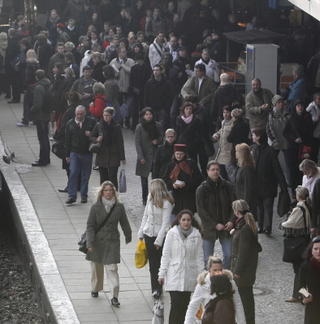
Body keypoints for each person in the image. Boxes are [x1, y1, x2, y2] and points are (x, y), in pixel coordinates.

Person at [85, 181, 132, 306]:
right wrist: (89, 243)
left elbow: (124, 222)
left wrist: (128, 234)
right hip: (97, 242)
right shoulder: (95, 207)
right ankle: (95, 288)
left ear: (114, 192)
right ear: (102, 192)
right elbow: (90, 226)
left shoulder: (119, 207)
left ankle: (114, 296)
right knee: (96, 268)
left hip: (112, 242)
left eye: (110, 190)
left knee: (112, 269)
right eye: (106, 190)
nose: (108, 193)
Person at [158, 210, 204, 324]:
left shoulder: (196, 235)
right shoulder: (171, 233)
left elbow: (199, 257)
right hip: (174, 274)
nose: (186, 222)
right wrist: (161, 273)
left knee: (185, 306)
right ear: (179, 220)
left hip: (189, 275)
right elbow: (166, 255)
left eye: (188, 220)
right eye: (183, 220)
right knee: (175, 305)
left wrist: (202, 275)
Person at [137, 179, 174, 299]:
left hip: (160, 235)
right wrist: (141, 233)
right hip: (148, 234)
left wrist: (158, 241)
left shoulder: (167, 203)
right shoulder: (150, 199)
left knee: (160, 263)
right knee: (153, 264)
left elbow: (165, 223)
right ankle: (155, 289)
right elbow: (145, 216)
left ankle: (162, 285)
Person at [196, 161, 235, 268]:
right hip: (209, 228)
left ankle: (225, 276)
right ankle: (209, 280)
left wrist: (231, 221)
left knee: (229, 255)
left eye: (217, 169)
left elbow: (234, 206)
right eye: (213, 169)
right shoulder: (202, 189)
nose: (215, 172)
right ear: (208, 171)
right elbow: (201, 210)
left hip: (226, 227)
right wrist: (214, 224)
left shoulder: (228, 186)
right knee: (207, 259)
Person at [251, 128, 288, 234]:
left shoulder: (270, 151)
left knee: (267, 207)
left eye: (253, 135)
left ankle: (267, 227)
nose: (252, 137)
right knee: (260, 207)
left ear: (258, 137)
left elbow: (277, 169)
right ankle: (261, 226)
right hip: (258, 184)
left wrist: (283, 186)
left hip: (268, 184)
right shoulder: (253, 149)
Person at [231, 199, 260, 324]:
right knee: (246, 298)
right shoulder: (244, 225)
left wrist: (237, 271)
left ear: (236, 212)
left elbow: (243, 252)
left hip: (243, 271)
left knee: (245, 300)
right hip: (246, 270)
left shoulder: (244, 228)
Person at [281, 186, 311, 303]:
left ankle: (303, 295)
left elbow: (290, 223)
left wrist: (282, 224)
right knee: (300, 271)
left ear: (298, 196)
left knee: (299, 272)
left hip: (298, 242)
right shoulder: (308, 205)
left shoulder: (299, 207)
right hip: (305, 240)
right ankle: (300, 295)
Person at [184, 256, 233, 324]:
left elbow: (238, 303)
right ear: (209, 270)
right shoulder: (202, 284)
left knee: (223, 304)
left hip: (226, 317)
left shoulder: (229, 282)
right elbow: (193, 306)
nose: (218, 273)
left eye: (220, 270)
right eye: (215, 270)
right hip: (209, 317)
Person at [65, 105, 96, 204]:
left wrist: (90, 135)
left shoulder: (91, 122)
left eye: (81, 114)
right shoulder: (70, 124)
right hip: (74, 153)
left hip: (87, 153)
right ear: (75, 114)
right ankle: (72, 195)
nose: (79, 116)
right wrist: (67, 155)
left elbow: (97, 135)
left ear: (85, 113)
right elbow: (67, 140)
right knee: (73, 173)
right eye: (77, 114)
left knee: (85, 175)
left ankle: (83, 195)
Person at [91, 107, 125, 188]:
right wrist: (96, 139)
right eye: (104, 115)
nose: (105, 117)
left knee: (113, 177)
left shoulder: (116, 127)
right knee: (103, 178)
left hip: (114, 155)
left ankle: (114, 196)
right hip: (102, 154)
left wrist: (122, 157)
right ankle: (103, 196)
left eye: (108, 115)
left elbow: (120, 142)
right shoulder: (99, 125)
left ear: (112, 116)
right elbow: (92, 136)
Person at [164, 144, 202, 215]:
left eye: (181, 154)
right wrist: (172, 185)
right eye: (177, 154)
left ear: (184, 154)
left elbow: (198, 179)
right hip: (176, 196)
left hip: (189, 195)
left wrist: (186, 184)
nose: (178, 156)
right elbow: (165, 180)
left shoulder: (191, 164)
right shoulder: (171, 165)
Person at [135, 108, 162, 205]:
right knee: (144, 179)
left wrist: (157, 141)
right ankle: (145, 198)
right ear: (143, 116)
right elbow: (137, 143)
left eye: (150, 114)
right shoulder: (139, 127)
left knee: (156, 178)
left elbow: (161, 137)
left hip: (155, 155)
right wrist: (140, 157)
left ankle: (155, 197)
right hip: (144, 156)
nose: (148, 116)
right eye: (146, 114)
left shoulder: (157, 125)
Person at [175, 102, 205, 172]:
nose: (188, 110)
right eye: (187, 109)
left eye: (190, 109)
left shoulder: (196, 120)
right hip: (182, 145)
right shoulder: (179, 119)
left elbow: (200, 133)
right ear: (183, 110)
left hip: (193, 145)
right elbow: (177, 132)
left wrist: (195, 142)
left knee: (192, 163)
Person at [30, 69, 51, 167]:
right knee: (45, 137)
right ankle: (47, 158)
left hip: (40, 116)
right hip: (47, 114)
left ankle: (42, 160)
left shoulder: (38, 87)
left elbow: (38, 104)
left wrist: (32, 110)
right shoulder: (49, 84)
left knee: (42, 138)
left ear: (37, 77)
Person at [298, 236, 320, 324]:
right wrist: (306, 296)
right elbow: (301, 287)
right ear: (311, 250)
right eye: (316, 249)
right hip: (313, 305)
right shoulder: (305, 266)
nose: (318, 251)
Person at [234, 143, 257, 215]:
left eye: (237, 151)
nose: (235, 153)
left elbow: (248, 189)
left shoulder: (246, 169)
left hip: (245, 204)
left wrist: (244, 206)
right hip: (241, 201)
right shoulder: (242, 167)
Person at [212, 106, 234, 180]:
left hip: (229, 152)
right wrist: (217, 134)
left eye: (227, 112)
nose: (225, 114)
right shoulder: (223, 122)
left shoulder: (233, 123)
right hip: (221, 152)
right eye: (224, 112)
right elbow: (221, 130)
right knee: (222, 174)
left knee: (230, 175)